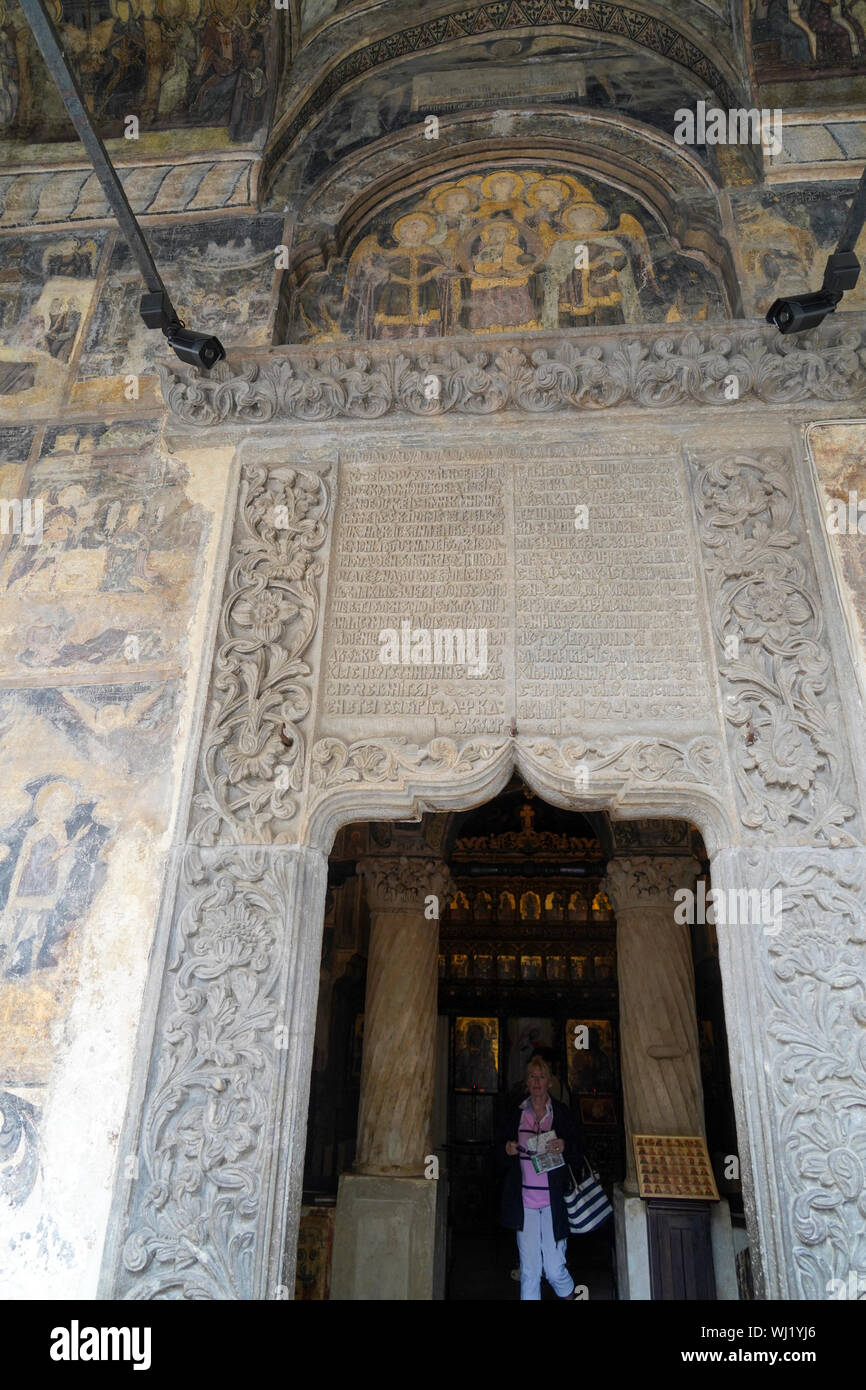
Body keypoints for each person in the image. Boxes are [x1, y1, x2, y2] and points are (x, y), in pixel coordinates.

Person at [495, 1055, 584, 1300]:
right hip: (525, 1205)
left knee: (554, 1270)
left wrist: (564, 1145)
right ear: (527, 1081)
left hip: (554, 1203)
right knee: (530, 1271)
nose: (537, 1082)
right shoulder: (516, 1114)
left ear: (549, 1082)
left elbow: (579, 1150)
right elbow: (496, 1152)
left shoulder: (561, 1113)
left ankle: (572, 1296)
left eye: (541, 1076)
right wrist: (506, 1149)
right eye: (532, 1077)